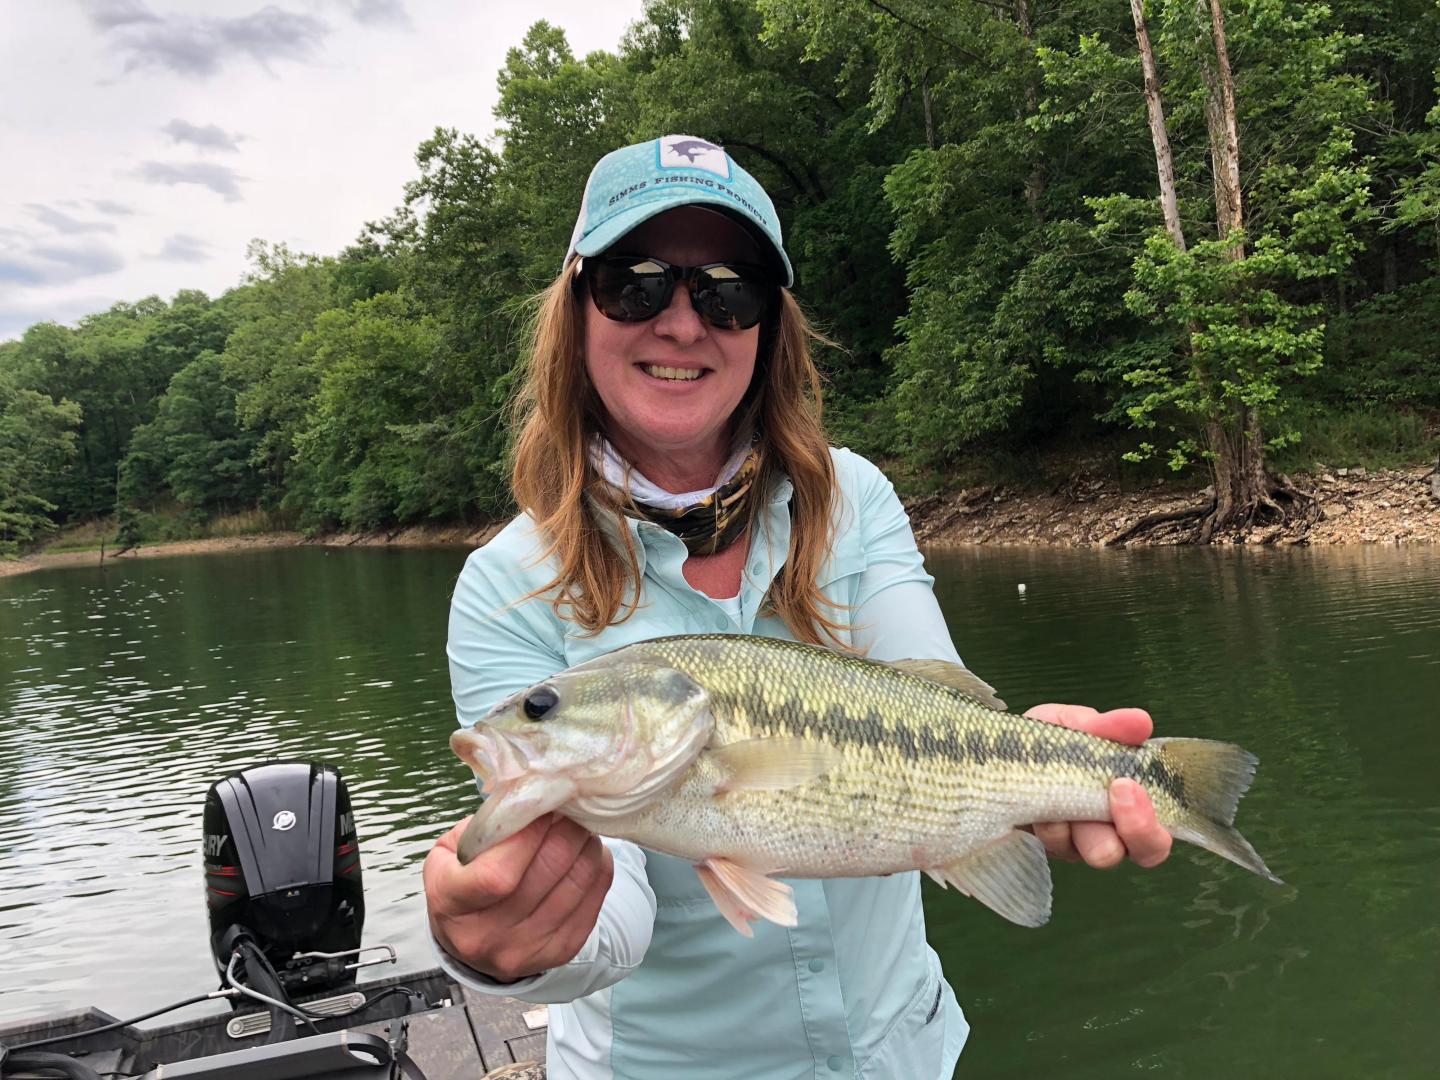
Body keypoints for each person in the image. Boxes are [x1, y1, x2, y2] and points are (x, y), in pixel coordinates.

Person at [423, 134, 1172, 1079]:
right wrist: (517, 937)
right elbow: (608, 915)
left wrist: (1032, 776)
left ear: (767, 329)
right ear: (576, 312)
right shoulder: (505, 587)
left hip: (905, 1055)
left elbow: (932, 705)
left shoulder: (855, 497)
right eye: (636, 283)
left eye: (729, 291)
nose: (683, 324)